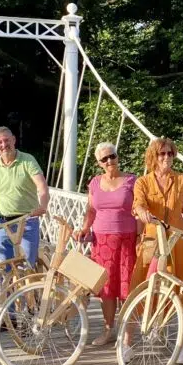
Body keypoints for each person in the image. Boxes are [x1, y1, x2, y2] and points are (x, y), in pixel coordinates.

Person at [131, 137, 183, 364]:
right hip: (152, 238)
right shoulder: (142, 182)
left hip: (177, 240)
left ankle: (182, 344)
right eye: (161, 154)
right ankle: (127, 340)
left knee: (182, 289)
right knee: (140, 284)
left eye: (170, 153)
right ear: (153, 157)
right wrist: (142, 212)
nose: (166, 157)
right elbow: (138, 204)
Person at [0, 127, 49, 328]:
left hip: (27, 220)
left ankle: (30, 313)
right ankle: (9, 316)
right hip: (3, 222)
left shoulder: (27, 160)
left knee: (27, 267)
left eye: (6, 140)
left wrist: (43, 205)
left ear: (13, 140)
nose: (4, 145)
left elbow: (42, 186)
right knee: (5, 269)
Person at [74, 142, 138, 346]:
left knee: (127, 287)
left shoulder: (132, 181)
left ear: (117, 157)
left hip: (127, 240)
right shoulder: (94, 183)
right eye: (104, 159)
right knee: (107, 288)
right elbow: (91, 210)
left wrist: (141, 237)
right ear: (99, 163)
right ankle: (109, 330)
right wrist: (85, 228)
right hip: (102, 242)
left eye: (112, 156)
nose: (109, 161)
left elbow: (140, 210)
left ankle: (127, 334)